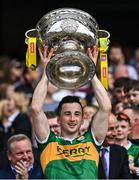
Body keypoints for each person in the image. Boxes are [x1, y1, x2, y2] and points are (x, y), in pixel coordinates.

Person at [31, 45, 111, 179]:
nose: (73, 119)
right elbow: (36, 108)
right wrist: (46, 72)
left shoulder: (91, 141)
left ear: (82, 118)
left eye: (77, 114)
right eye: (67, 114)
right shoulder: (48, 142)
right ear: (58, 119)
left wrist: (91, 72)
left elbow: (106, 108)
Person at [98, 113, 131, 179]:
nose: (115, 133)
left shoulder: (121, 152)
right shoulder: (86, 151)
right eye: (110, 129)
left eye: (116, 128)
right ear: (98, 129)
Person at [115, 112, 139, 178]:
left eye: (123, 127)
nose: (119, 129)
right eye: (116, 127)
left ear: (129, 130)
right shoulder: (107, 149)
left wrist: (131, 168)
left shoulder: (137, 149)